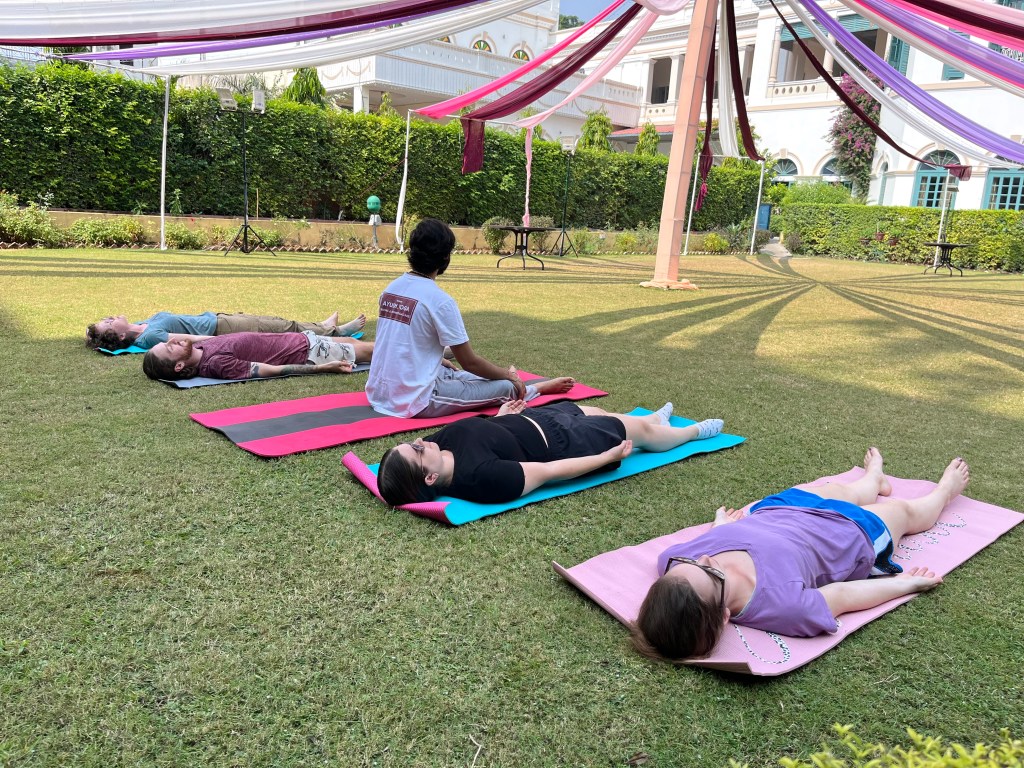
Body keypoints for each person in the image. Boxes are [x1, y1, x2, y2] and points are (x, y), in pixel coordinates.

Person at [631, 448, 971, 662]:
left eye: (691, 562)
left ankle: (873, 479)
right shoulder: (781, 607)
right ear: (723, 616)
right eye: (711, 571)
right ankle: (945, 492)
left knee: (845, 490)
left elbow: (703, 548)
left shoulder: (672, 563)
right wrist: (906, 584)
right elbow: (842, 595)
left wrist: (720, 526)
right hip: (851, 536)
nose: (705, 557)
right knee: (903, 512)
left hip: (782, 510)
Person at [366, 218, 572, 418]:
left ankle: (507, 380)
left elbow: (400, 343)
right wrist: (508, 375)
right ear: (445, 257)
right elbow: (470, 362)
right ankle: (534, 388)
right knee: (505, 386)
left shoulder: (391, 289)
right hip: (415, 400)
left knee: (451, 372)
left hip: (380, 393)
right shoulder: (440, 301)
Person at [376, 400, 725, 505]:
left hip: (537, 418)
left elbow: (481, 434)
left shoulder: (438, 446)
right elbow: (550, 472)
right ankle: (693, 432)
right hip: (565, 443)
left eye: (414, 443)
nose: (420, 441)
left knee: (599, 411)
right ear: (430, 477)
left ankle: (653, 418)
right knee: (641, 435)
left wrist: (499, 418)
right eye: (416, 450)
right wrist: (606, 458)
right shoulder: (483, 478)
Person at [141, 331, 374, 381]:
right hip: (309, 353)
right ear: (179, 366)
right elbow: (268, 370)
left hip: (301, 340)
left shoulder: (200, 347)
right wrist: (323, 368)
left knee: (355, 343)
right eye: (169, 348)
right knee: (370, 352)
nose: (172, 341)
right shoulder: (216, 364)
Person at [86, 310, 366, 352]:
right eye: (108, 323)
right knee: (283, 328)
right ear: (120, 336)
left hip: (219, 319)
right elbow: (190, 339)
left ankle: (324, 326)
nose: (111, 318)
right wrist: (228, 340)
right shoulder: (149, 337)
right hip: (223, 329)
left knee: (276, 321)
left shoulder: (142, 324)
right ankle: (333, 330)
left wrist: (93, 335)